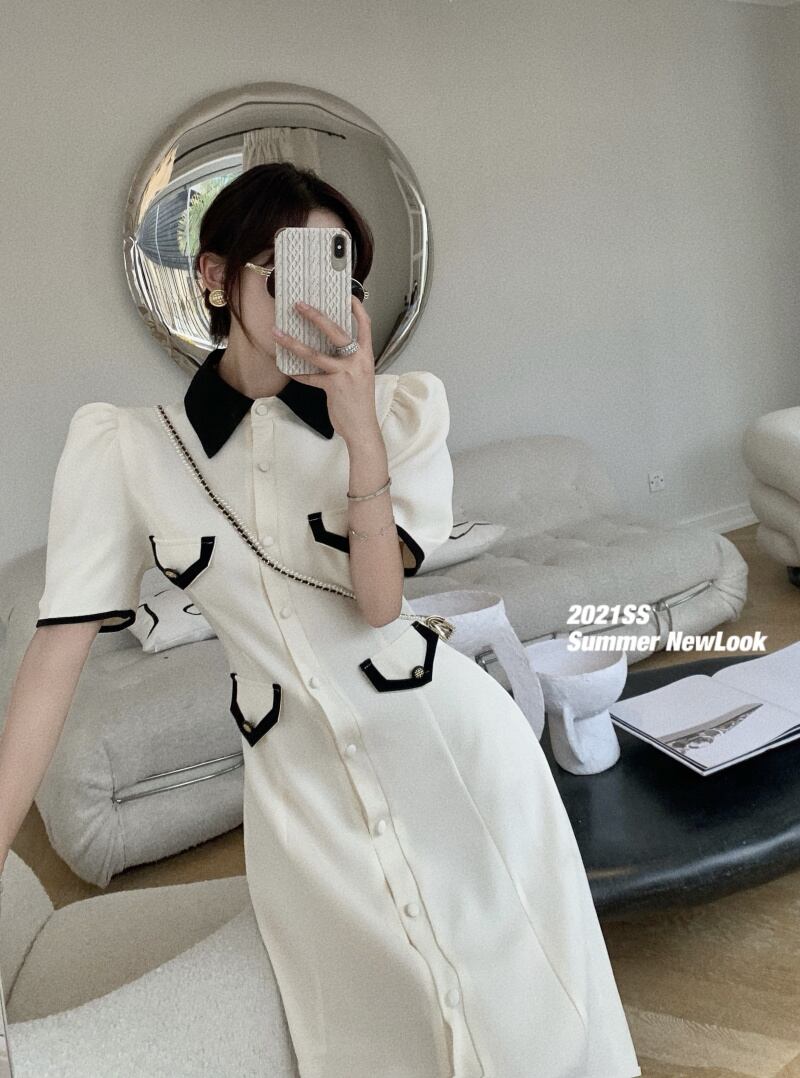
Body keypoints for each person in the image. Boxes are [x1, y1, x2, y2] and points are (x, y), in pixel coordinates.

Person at [0, 162, 641, 1078]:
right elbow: (53, 658)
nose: (319, 298)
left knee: (538, 1013)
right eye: (286, 271)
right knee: (375, 1035)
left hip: (451, 747)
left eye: (340, 274)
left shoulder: (399, 412)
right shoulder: (129, 450)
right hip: (299, 800)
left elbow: (379, 605)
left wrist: (360, 431)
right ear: (215, 277)